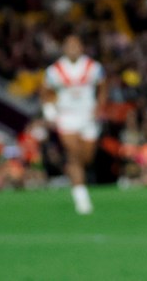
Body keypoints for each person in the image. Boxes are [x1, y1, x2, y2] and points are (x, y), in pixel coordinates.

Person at [43, 35, 105, 215]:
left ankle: (76, 176)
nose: (73, 49)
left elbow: (103, 86)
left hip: (87, 117)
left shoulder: (93, 67)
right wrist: (50, 112)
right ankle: (80, 195)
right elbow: (45, 92)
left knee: (86, 157)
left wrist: (99, 107)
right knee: (73, 154)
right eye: (69, 46)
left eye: (76, 46)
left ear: (81, 48)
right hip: (67, 116)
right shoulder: (54, 70)